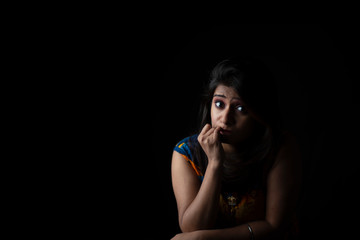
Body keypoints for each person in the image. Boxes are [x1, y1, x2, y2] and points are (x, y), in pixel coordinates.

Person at [171, 57, 302, 240]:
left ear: (259, 113)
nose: (225, 119)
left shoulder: (280, 148)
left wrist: (204, 239)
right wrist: (215, 163)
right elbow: (192, 228)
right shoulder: (186, 153)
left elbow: (275, 226)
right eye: (219, 104)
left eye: (240, 108)